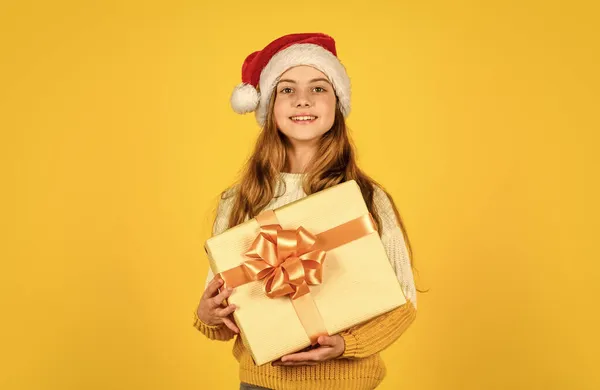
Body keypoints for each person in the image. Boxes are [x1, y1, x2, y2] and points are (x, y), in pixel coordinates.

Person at [193, 32, 418, 390]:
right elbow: (223, 316)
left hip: (349, 385)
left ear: (337, 103)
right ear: (269, 106)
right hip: (261, 384)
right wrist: (207, 316)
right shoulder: (239, 201)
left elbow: (403, 302)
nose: (302, 101)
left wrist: (347, 345)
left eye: (318, 88)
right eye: (287, 90)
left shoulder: (368, 198)